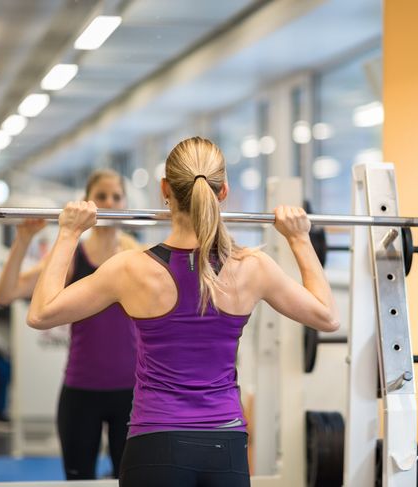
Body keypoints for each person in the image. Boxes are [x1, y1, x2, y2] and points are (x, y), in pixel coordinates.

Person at [26, 136, 340, 487]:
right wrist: (299, 239)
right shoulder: (253, 268)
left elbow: (40, 314)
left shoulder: (131, 268)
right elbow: (327, 317)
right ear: (223, 193)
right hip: (226, 447)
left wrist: (69, 233)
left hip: (155, 444)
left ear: (165, 189)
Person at [0, 169, 140, 480]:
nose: (110, 203)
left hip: (132, 394)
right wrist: (22, 240)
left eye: (117, 196)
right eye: (102, 196)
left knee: (130, 479)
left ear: (126, 201)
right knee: (78, 480)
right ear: (88, 203)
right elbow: (5, 294)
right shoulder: (73, 256)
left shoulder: (134, 256)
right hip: (81, 391)